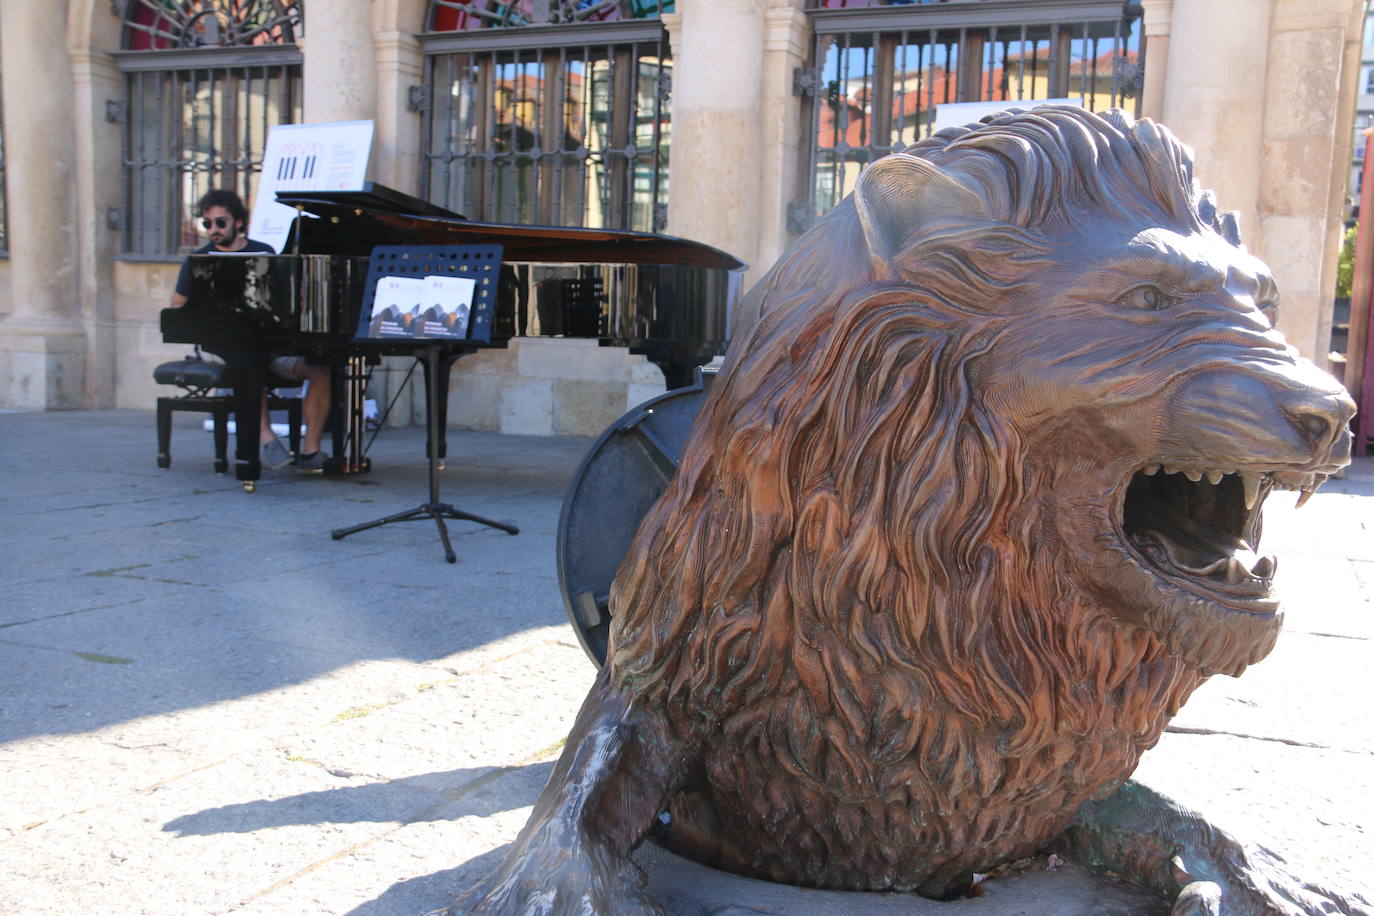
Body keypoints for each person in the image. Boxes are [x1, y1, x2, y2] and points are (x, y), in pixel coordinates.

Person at [169, 190, 331, 472]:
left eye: (221, 222)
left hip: (268, 343)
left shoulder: (264, 252)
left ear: (240, 222)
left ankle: (311, 450)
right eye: (207, 224)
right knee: (247, 358)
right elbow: (176, 306)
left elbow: (283, 302)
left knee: (319, 368)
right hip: (219, 346)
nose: (214, 230)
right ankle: (265, 437)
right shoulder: (199, 259)